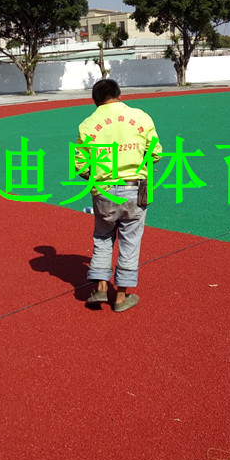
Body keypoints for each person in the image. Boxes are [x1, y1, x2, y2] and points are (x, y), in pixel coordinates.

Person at [75, 79, 162, 312]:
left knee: (103, 237)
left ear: (95, 101)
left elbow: (81, 164)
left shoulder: (88, 124)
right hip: (135, 188)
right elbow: (155, 153)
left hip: (103, 190)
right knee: (130, 241)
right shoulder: (141, 117)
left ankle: (101, 287)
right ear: (120, 94)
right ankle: (122, 297)